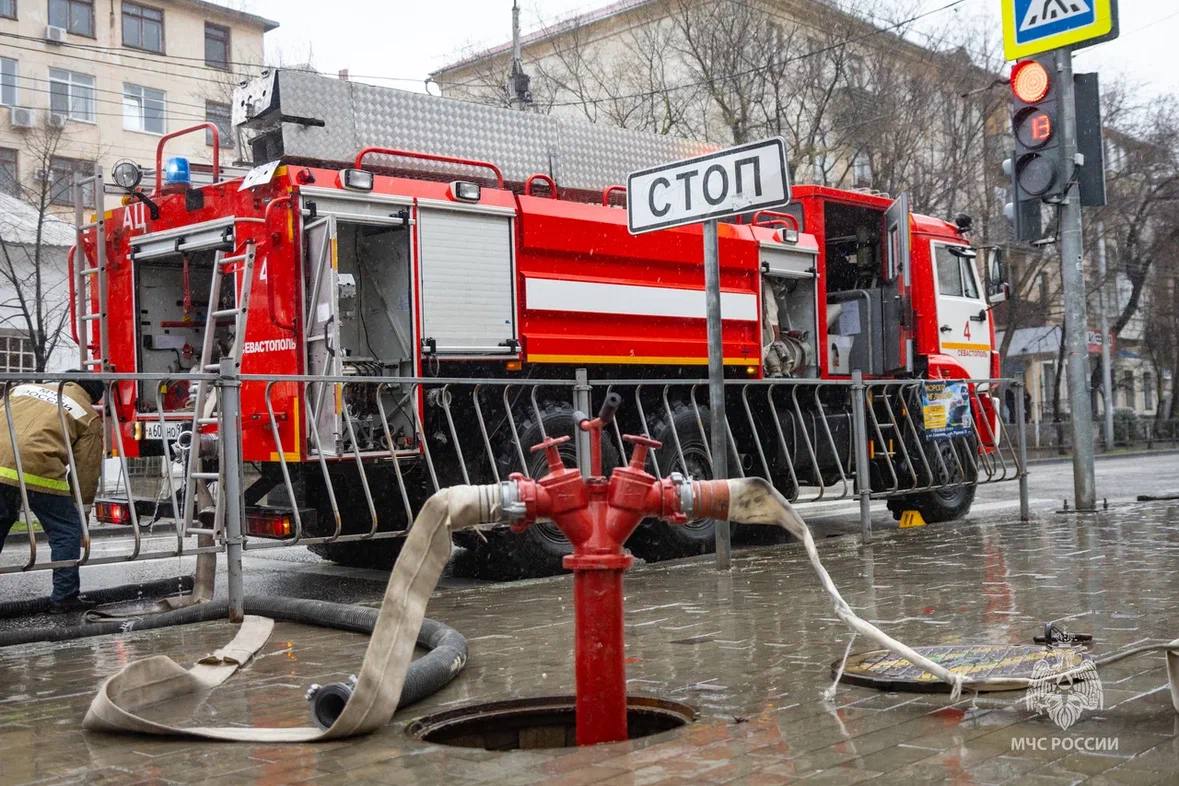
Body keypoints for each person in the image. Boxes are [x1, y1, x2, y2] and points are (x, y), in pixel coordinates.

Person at [0, 375, 104, 613]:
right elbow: (85, 472)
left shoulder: (21, 389)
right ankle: (64, 597)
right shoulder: (87, 414)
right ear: (92, 395)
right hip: (36, 469)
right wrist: (82, 514)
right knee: (66, 530)